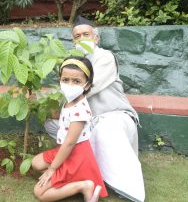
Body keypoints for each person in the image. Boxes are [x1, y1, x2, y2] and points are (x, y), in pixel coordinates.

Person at [44, 16, 145, 202]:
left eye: (86, 34)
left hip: (113, 115)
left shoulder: (105, 57)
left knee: (106, 129)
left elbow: (85, 89)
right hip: (86, 120)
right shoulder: (76, 61)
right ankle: (77, 166)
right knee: (51, 125)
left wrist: (57, 103)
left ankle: (111, 181)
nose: (81, 39)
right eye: (77, 36)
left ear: (96, 38)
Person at [32, 56, 108, 202]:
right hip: (66, 150)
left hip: (76, 155)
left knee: (40, 193)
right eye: (65, 80)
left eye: (76, 81)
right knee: (36, 163)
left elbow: (70, 143)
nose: (70, 85)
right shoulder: (71, 101)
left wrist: (52, 169)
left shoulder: (80, 110)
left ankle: (83, 186)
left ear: (87, 85)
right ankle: (69, 179)